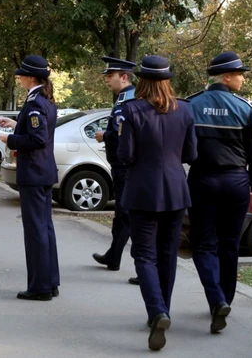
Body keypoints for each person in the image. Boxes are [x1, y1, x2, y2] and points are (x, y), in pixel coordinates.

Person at [117, 55, 197, 351]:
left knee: (144, 255)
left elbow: (125, 155)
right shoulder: (185, 110)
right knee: (167, 254)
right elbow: (192, 154)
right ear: (166, 80)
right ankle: (164, 310)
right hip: (176, 191)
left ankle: (157, 311)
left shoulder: (131, 110)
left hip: (143, 191)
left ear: (142, 81)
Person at [186, 51, 252, 333]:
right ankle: (225, 300)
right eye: (240, 73)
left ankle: (216, 299)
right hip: (236, 182)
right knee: (230, 244)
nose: (243, 78)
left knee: (203, 244)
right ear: (226, 76)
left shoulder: (191, 105)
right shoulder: (244, 109)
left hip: (202, 181)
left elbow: (184, 149)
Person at [0, 55, 60, 301]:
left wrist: (8, 139)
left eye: (21, 74)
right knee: (45, 228)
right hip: (43, 171)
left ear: (31, 77)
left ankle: (40, 287)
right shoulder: (43, 99)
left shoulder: (34, 102)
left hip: (33, 172)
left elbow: (37, 139)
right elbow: (37, 130)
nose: (19, 78)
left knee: (36, 231)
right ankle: (50, 281)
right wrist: (15, 124)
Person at [91, 56, 139, 284]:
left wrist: (105, 136)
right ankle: (114, 256)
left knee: (129, 216)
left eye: (110, 76)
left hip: (126, 167)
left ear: (124, 77)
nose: (107, 80)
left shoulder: (131, 101)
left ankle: (142, 265)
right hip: (120, 167)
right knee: (121, 215)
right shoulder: (122, 100)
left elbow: (125, 135)